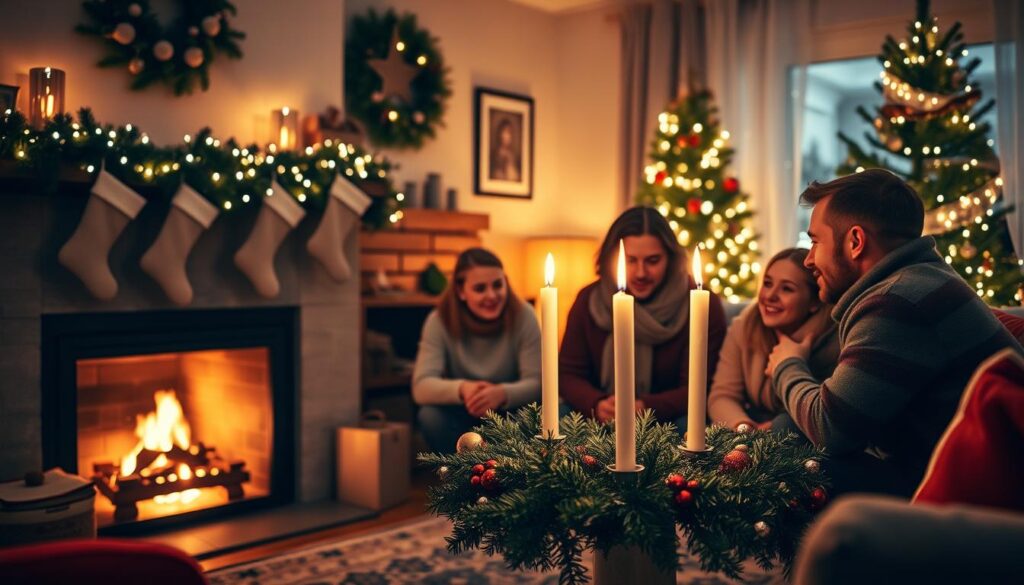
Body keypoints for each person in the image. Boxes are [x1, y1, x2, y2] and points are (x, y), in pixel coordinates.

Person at [766, 168, 1023, 495]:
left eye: (815, 241)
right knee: (786, 429)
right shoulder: (916, 280)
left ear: (856, 242)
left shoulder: (897, 301)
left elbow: (829, 427)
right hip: (937, 462)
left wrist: (787, 365)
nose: (809, 259)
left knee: (788, 452)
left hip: (967, 487)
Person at [559, 206, 727, 426]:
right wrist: (598, 404)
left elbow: (702, 386)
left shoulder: (700, 303)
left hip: (667, 419)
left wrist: (645, 407)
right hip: (600, 417)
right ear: (612, 258)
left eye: (653, 260)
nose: (640, 273)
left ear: (671, 259)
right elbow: (567, 374)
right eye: (630, 260)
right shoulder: (589, 299)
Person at [412, 248, 541, 453]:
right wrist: (463, 389)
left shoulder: (524, 314)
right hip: (464, 410)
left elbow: (539, 383)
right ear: (461, 292)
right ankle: (459, 480)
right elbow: (421, 387)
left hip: (511, 412)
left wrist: (502, 394)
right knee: (430, 416)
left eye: (498, 285)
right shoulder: (439, 320)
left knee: (541, 414)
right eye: (480, 288)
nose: (492, 295)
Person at [708, 248, 839, 433]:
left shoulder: (835, 340)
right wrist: (743, 427)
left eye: (787, 288)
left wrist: (775, 429)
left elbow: (824, 416)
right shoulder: (745, 325)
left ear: (814, 302)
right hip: (747, 428)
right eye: (767, 284)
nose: (770, 296)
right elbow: (722, 396)